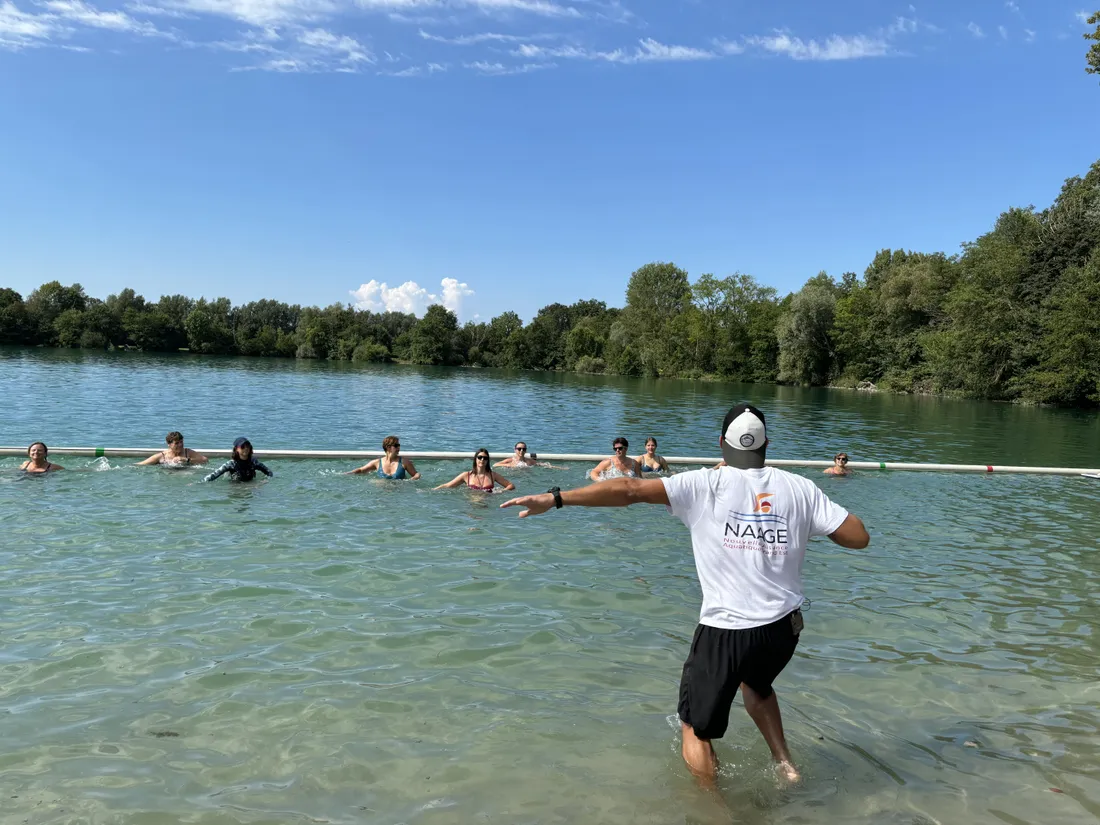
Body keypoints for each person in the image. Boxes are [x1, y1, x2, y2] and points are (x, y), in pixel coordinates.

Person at [500, 403, 869, 785]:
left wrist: (556, 498)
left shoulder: (705, 483)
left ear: (721, 444)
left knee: (694, 728)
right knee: (757, 685)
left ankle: (714, 811)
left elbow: (629, 490)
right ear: (766, 445)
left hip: (727, 630)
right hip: (782, 631)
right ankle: (786, 766)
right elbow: (858, 537)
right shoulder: (800, 487)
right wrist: (792, 524)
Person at [434, 450, 515, 492]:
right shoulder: (466, 475)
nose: (482, 460)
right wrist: (432, 490)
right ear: (475, 459)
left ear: (487, 461)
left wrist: (501, 491)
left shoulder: (493, 475)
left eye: (485, 458)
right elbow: (448, 486)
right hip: (471, 505)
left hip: (488, 504)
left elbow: (511, 485)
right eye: (480, 457)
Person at [346, 435, 421, 480]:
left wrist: (411, 480)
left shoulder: (404, 462)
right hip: (382, 491)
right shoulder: (377, 462)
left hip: (398, 492)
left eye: (399, 445)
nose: (398, 448)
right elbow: (361, 470)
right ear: (388, 447)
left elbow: (416, 474)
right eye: (396, 446)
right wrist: (347, 473)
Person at [203, 437, 274, 483]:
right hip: (235, 487)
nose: (246, 448)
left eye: (248, 446)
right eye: (242, 447)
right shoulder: (231, 464)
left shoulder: (254, 462)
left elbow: (269, 472)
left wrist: (264, 481)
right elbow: (213, 475)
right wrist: (199, 483)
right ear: (236, 449)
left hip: (250, 485)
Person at [138, 432, 208, 466]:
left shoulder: (188, 452)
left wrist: (186, 459)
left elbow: (205, 460)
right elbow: (141, 464)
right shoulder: (162, 456)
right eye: (177, 443)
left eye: (181, 442)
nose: (180, 445)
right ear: (169, 444)